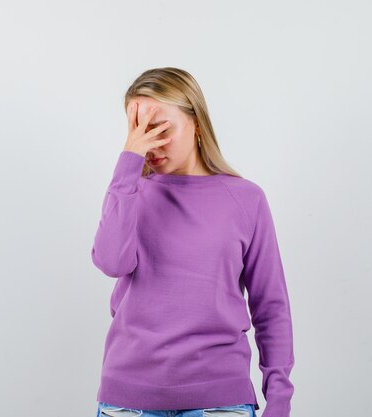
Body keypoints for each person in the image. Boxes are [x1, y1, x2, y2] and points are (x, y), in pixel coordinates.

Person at [91, 67, 295, 417]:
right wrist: (128, 164)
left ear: (196, 122)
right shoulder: (130, 194)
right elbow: (111, 262)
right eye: (137, 130)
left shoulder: (245, 199)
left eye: (160, 128)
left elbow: (270, 306)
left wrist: (278, 400)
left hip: (221, 401)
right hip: (128, 403)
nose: (149, 143)